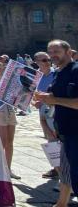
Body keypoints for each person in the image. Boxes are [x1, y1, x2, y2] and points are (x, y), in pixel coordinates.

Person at [34, 40, 78, 207]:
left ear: (68, 51)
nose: (52, 55)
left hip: (76, 131)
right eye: (49, 52)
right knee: (66, 172)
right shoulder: (59, 73)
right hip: (63, 131)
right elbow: (56, 100)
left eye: (56, 51)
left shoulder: (76, 71)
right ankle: (61, 203)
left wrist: (54, 100)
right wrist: (44, 100)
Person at [0, 60, 20, 180]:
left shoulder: (8, 83)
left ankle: (8, 169)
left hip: (10, 111)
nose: (1, 71)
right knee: (2, 141)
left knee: (10, 142)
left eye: (3, 69)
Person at [32, 51, 58, 179]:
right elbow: (34, 94)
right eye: (44, 60)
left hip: (57, 112)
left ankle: (65, 169)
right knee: (51, 140)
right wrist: (35, 102)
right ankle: (56, 169)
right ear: (36, 62)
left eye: (48, 59)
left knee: (61, 140)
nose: (48, 62)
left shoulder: (57, 74)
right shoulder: (36, 77)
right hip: (44, 112)